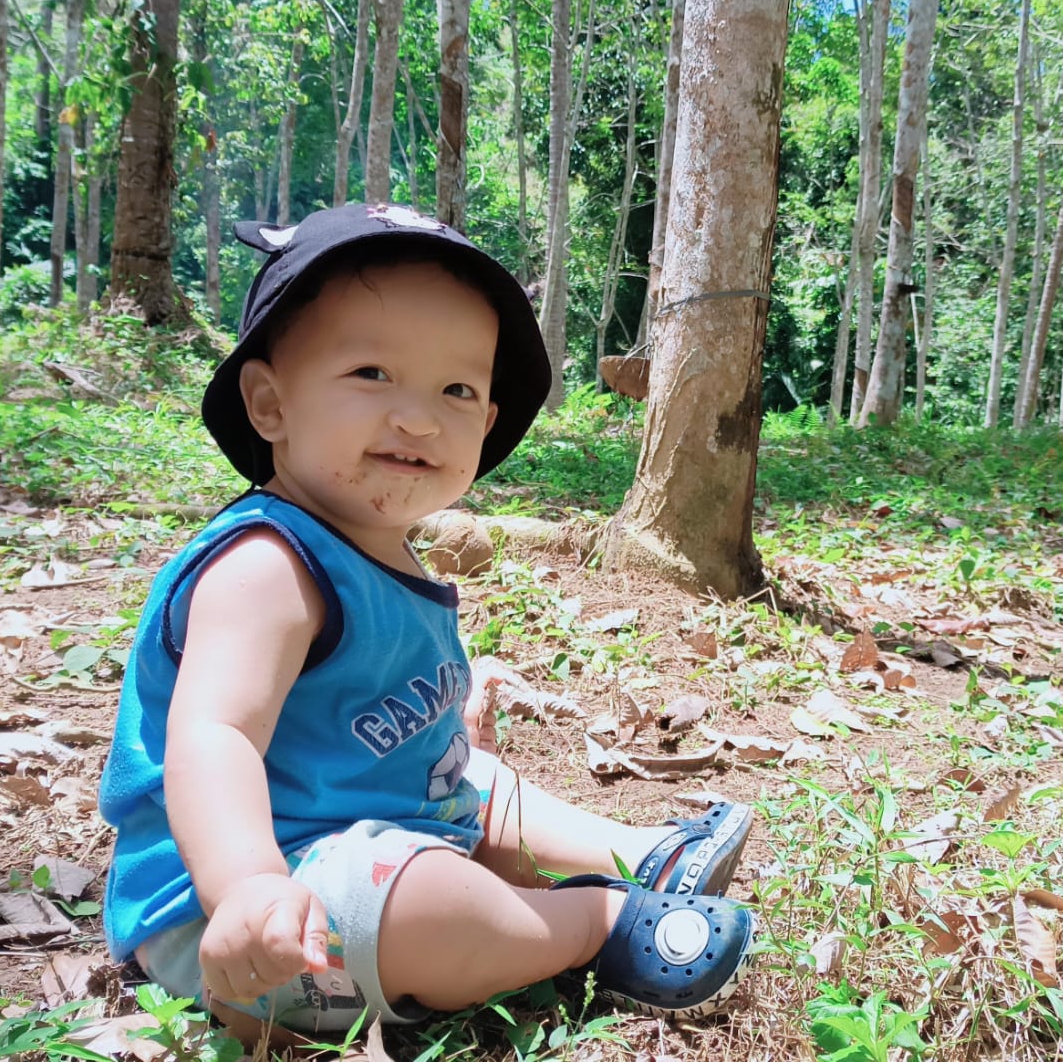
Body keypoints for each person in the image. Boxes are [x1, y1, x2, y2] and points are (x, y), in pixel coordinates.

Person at [99, 203, 756, 1039]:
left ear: (484, 425)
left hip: (384, 832)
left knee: (476, 781)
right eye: (371, 373)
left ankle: (641, 852)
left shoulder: (381, 550)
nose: (417, 417)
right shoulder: (265, 563)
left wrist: (451, 722)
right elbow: (213, 738)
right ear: (268, 402)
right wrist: (247, 886)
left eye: (456, 389)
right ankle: (594, 924)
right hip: (256, 921)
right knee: (419, 902)